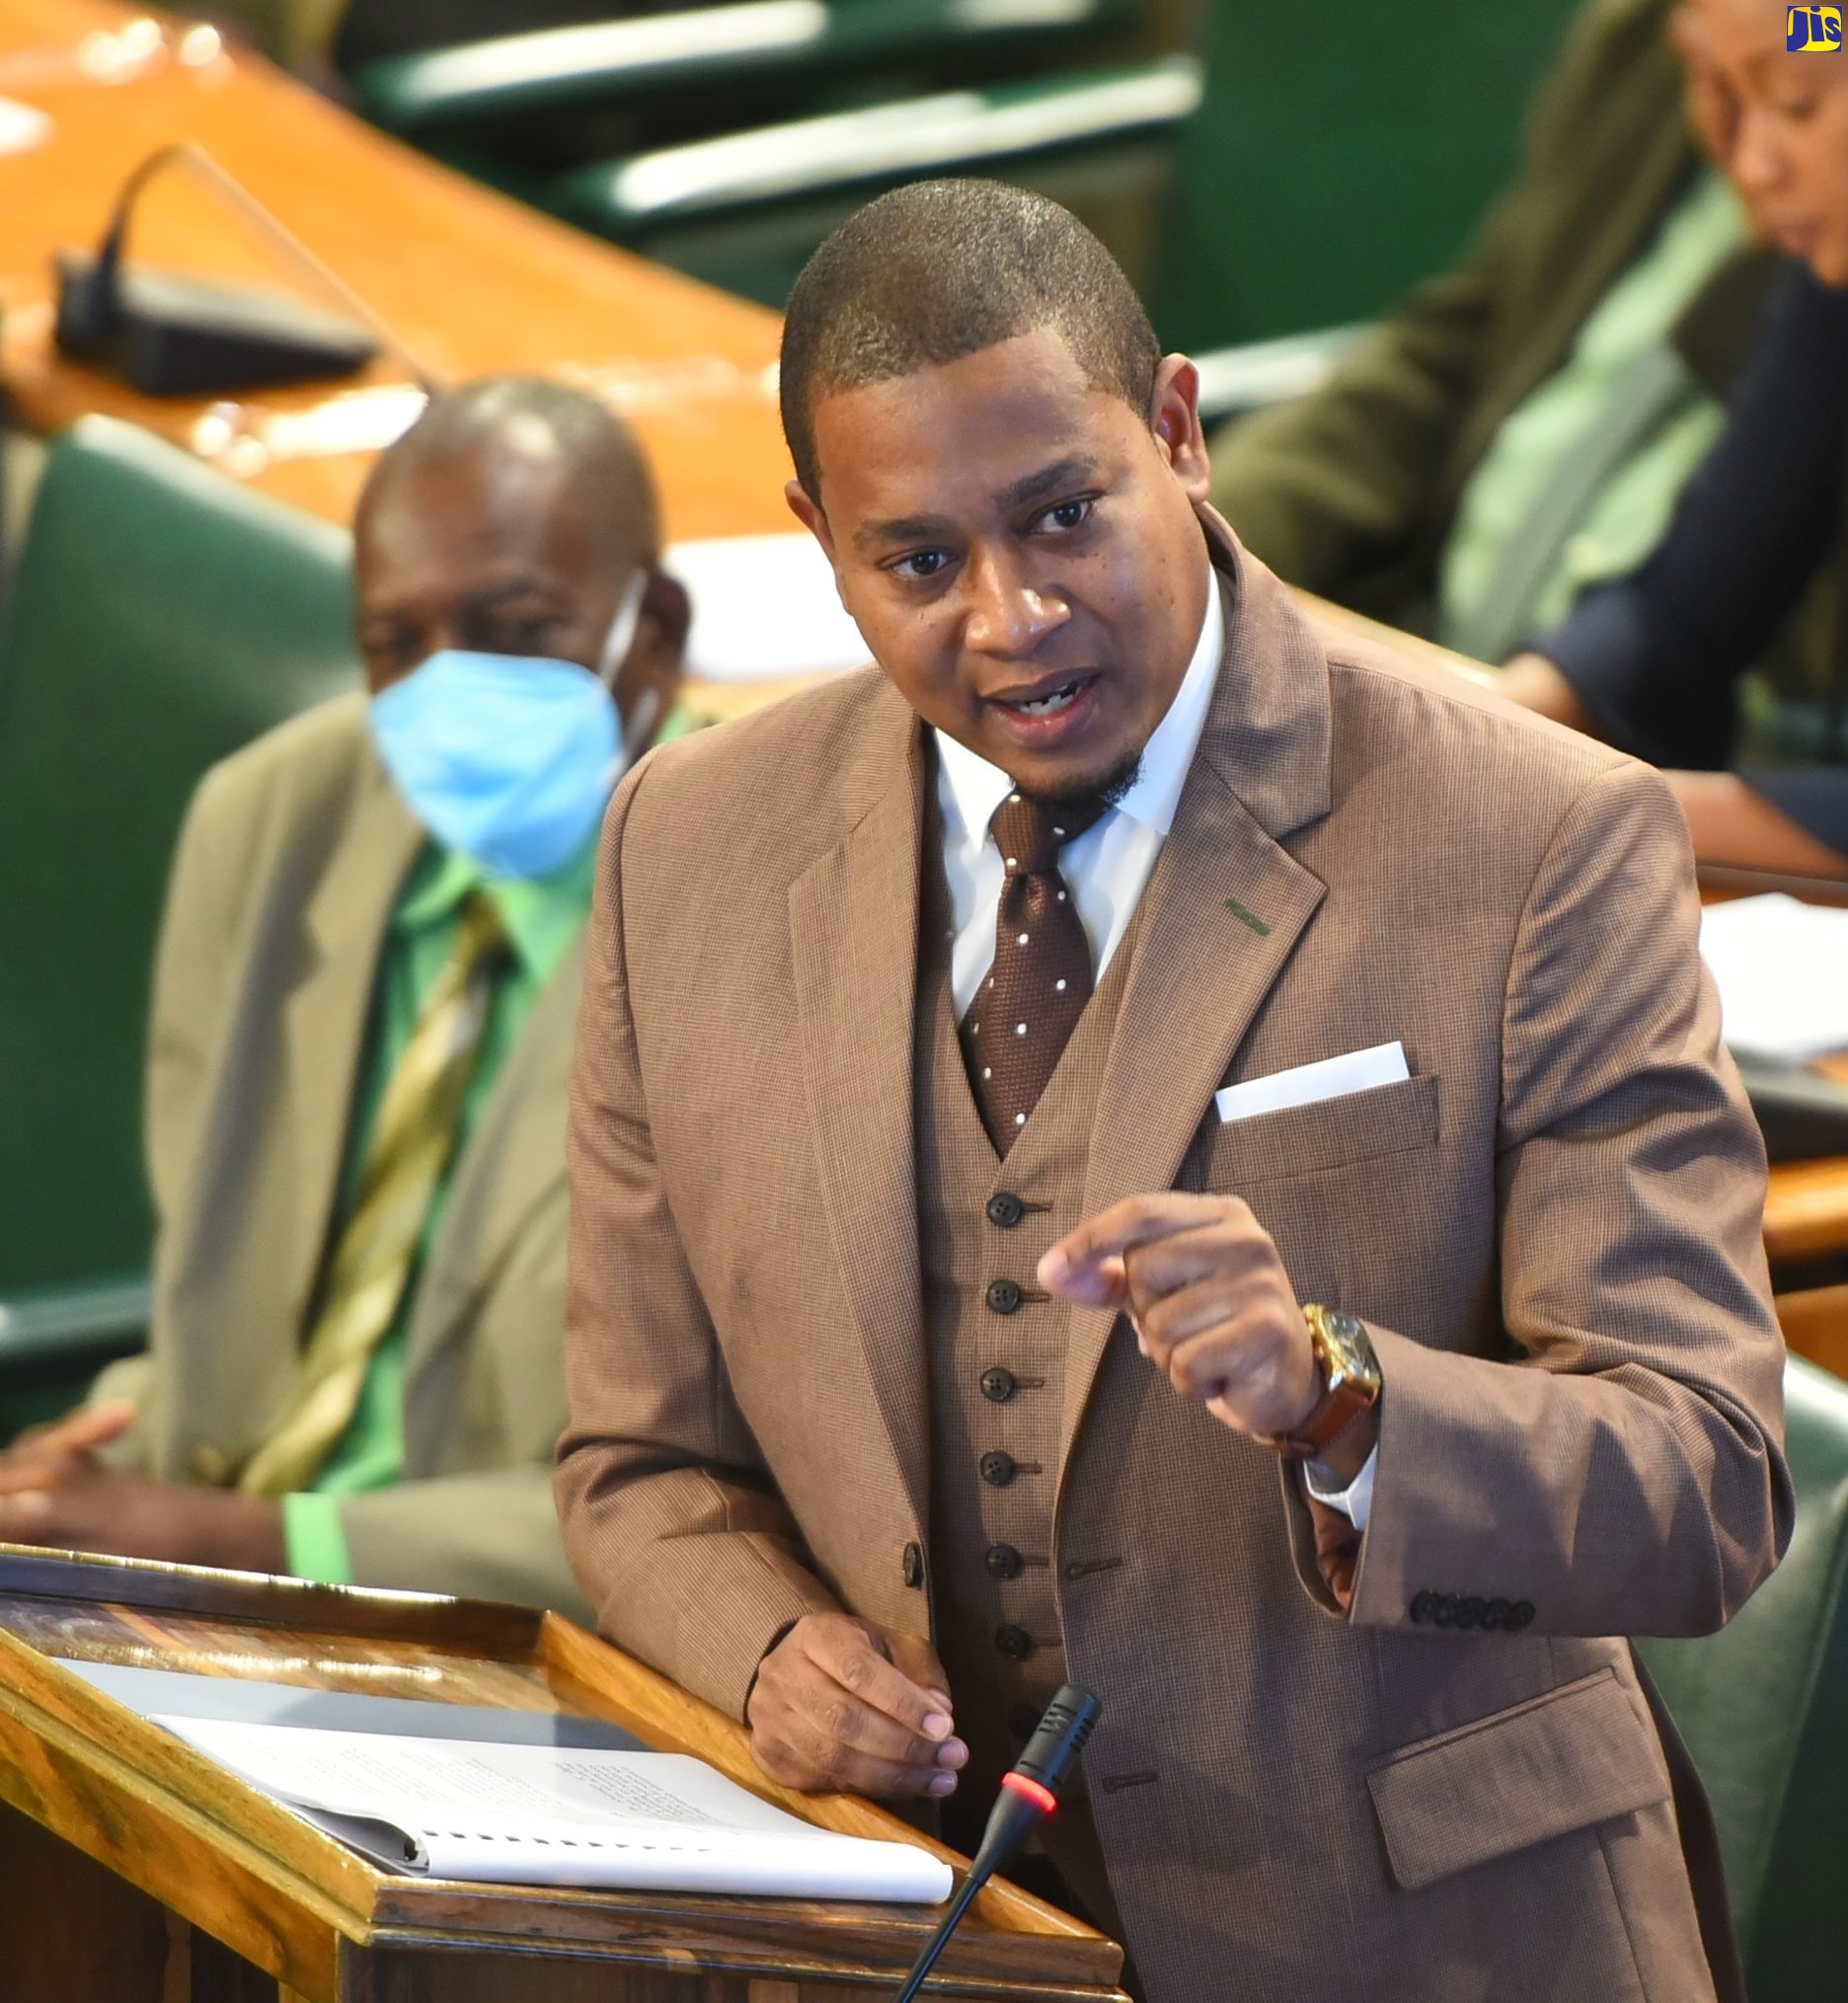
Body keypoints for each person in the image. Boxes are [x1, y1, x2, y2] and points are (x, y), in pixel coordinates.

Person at [554, 181, 1789, 2001]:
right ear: (817, 540)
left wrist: (1343, 1394)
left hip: (1432, 1945)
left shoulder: (1534, 837)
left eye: (1064, 513)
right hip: (932, 1944)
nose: (1013, 616)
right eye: (916, 562)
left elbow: (1703, 1478)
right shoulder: (688, 846)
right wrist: (759, 1652)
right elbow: (635, 1460)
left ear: (1178, 431)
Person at [0, 375, 688, 1614]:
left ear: (652, 627)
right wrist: (96, 1465)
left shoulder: (762, 935)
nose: (449, 689)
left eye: (516, 625)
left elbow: (701, 1518)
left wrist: (241, 1539)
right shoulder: (272, 827)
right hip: (191, 1597)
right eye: (397, 644)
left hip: (497, 1670)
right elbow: (222, 1329)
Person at [1208, 0, 1802, 679]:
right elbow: (1467, 341)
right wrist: (1210, 538)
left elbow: (1678, 641)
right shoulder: (1651, 38)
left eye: (1791, 108)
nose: (1751, 158)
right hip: (1425, 648)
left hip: (1661, 748)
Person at [1498, 0, 1848, 877]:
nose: (1752, 166)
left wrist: (1579, 807)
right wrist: (1486, 726)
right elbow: (1688, 608)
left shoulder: (1825, 21)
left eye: (1797, 105)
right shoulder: (1832, 282)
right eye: (1722, 90)